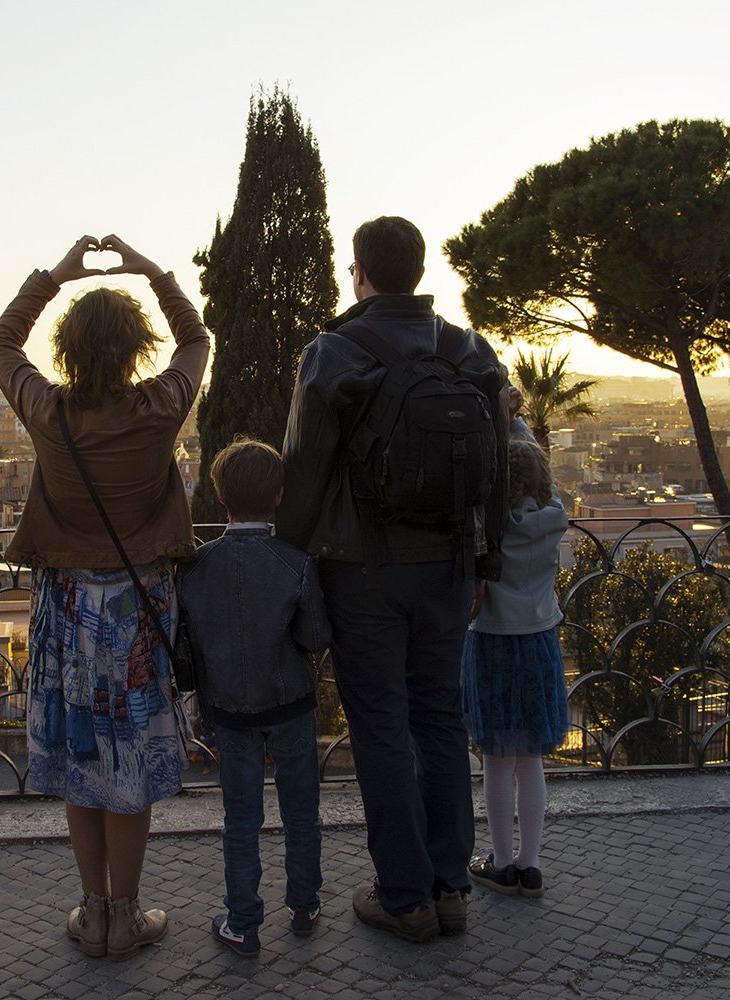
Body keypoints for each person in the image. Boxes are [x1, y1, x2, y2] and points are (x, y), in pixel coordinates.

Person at [274, 215, 510, 942]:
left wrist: (286, 566)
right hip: (448, 568)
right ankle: (449, 889)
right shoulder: (470, 352)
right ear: (420, 269)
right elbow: (495, 473)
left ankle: (403, 896)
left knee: (380, 726)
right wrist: (484, 565)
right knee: (441, 719)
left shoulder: (334, 354)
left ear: (362, 273)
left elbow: (304, 475)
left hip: (363, 573)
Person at [0, 234, 210, 961]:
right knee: (130, 765)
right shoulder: (159, 409)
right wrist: (152, 273)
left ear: (71, 349)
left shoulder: (47, 413)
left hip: (69, 616)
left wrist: (55, 276)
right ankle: (127, 914)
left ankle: (92, 913)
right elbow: (197, 337)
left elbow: (2, 339)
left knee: (83, 764)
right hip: (137, 617)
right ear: (136, 346)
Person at [176, 438, 331, 956]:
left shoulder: (196, 567)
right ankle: (305, 905)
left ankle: (242, 922)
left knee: (240, 818)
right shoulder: (296, 564)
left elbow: (189, 642)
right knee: (301, 809)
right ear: (280, 495)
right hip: (290, 703)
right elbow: (314, 637)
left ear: (220, 498)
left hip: (229, 710)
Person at [463, 418, 570, 899]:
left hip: (492, 641)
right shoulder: (556, 518)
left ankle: (501, 862)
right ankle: (531, 865)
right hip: (540, 640)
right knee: (531, 763)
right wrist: (519, 420)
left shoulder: (489, 527)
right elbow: (532, 460)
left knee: (497, 762)